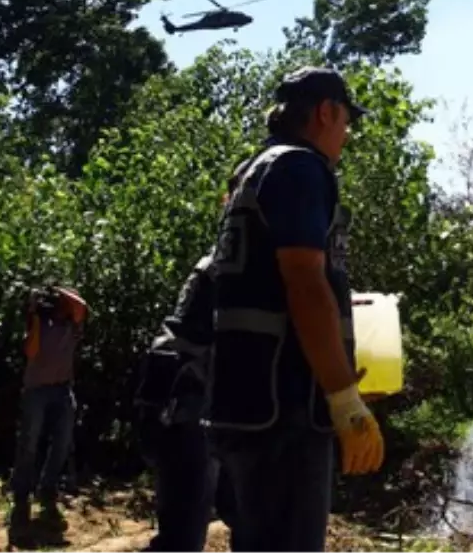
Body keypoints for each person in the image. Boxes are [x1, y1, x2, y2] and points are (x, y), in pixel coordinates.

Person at [206, 66, 385, 552]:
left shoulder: (254, 169)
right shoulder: (300, 168)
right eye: (346, 120)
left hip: (244, 406)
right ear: (326, 112)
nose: (347, 135)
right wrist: (345, 399)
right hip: (285, 411)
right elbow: (304, 282)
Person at [133, 177, 243, 552]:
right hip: (189, 409)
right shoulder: (226, 266)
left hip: (209, 409)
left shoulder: (225, 261)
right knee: (182, 539)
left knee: (250, 520)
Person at [9, 284, 88, 526]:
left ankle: (48, 490)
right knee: (29, 443)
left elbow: (81, 307)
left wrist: (54, 289)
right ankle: (21, 496)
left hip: (62, 389)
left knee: (62, 443)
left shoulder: (72, 327)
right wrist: (33, 316)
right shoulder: (40, 325)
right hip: (37, 391)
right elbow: (31, 352)